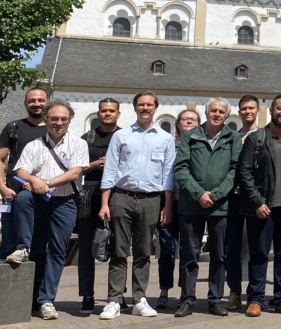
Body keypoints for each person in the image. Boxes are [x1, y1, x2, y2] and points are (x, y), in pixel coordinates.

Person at [98, 91, 177, 320]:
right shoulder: (121, 136)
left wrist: (168, 205)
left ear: (155, 108)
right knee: (119, 251)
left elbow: (168, 176)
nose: (145, 108)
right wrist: (105, 202)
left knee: (143, 252)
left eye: (149, 105)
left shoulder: (165, 139)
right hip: (121, 197)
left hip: (151, 200)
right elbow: (110, 170)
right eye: (141, 104)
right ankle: (114, 300)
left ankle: (139, 299)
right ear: (135, 108)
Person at [9, 99, 89, 320]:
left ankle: (46, 300)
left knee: (57, 252)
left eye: (64, 119)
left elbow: (74, 173)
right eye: (54, 118)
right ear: (46, 120)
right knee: (23, 199)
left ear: (69, 121)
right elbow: (21, 171)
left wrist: (46, 181)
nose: (59, 122)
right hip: (38, 200)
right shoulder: (34, 145)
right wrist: (33, 180)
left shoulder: (78, 144)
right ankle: (22, 247)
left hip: (65, 202)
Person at [239, 95, 281, 317]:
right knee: (259, 253)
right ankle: (256, 299)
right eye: (280, 109)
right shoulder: (256, 139)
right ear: (271, 110)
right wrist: (257, 201)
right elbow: (244, 173)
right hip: (263, 208)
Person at [173, 99, 241, 318]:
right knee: (189, 255)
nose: (217, 114)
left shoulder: (233, 138)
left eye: (221, 111)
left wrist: (217, 194)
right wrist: (198, 193)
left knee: (219, 255)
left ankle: (215, 300)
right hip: (191, 205)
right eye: (213, 110)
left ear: (226, 115)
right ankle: (187, 299)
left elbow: (235, 170)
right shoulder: (190, 136)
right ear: (206, 112)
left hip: (220, 206)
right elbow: (181, 168)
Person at [77, 98, 121, 315]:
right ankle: (87, 295)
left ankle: (116, 296)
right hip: (90, 194)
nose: (107, 114)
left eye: (111, 111)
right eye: (104, 111)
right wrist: (92, 165)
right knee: (86, 249)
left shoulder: (125, 137)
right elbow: (74, 170)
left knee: (118, 247)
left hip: (117, 195)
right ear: (98, 113)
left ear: (118, 114)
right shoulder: (85, 139)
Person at [0, 86, 48, 259]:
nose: (37, 104)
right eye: (32, 100)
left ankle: (35, 285)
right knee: (9, 242)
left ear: (47, 102)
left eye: (41, 100)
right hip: (14, 193)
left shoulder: (55, 129)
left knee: (40, 245)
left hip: (45, 193)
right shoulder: (13, 127)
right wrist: (1, 187)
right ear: (25, 103)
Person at [157, 109, 200, 310]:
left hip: (191, 204)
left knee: (188, 250)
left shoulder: (201, 145)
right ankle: (164, 291)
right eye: (185, 119)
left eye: (193, 119)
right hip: (169, 201)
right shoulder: (168, 144)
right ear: (178, 124)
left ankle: (185, 293)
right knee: (167, 248)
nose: (189, 121)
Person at [225, 94, 260, 310]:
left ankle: (256, 294)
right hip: (235, 199)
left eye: (251, 108)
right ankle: (235, 291)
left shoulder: (265, 135)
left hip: (257, 199)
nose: (248, 112)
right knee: (233, 248)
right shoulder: (232, 137)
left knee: (258, 248)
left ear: (258, 110)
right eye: (244, 109)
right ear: (239, 112)